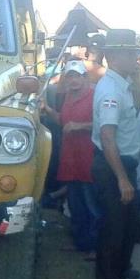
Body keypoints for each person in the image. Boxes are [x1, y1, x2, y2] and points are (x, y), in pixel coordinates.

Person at [91, 29, 140, 279]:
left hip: (122, 164)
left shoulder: (121, 84)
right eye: (130, 53)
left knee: (125, 231)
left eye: (135, 52)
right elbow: (108, 138)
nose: (135, 58)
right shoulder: (110, 90)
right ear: (112, 56)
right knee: (113, 232)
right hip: (114, 166)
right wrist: (122, 179)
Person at [42, 60, 101, 260]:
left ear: (85, 77)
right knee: (76, 206)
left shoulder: (95, 95)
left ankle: (96, 247)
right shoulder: (68, 96)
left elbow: (104, 124)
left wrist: (80, 126)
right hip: (72, 161)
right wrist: (48, 110)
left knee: (92, 206)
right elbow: (63, 121)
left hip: (88, 160)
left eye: (77, 76)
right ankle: (80, 242)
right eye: (70, 77)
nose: (73, 80)